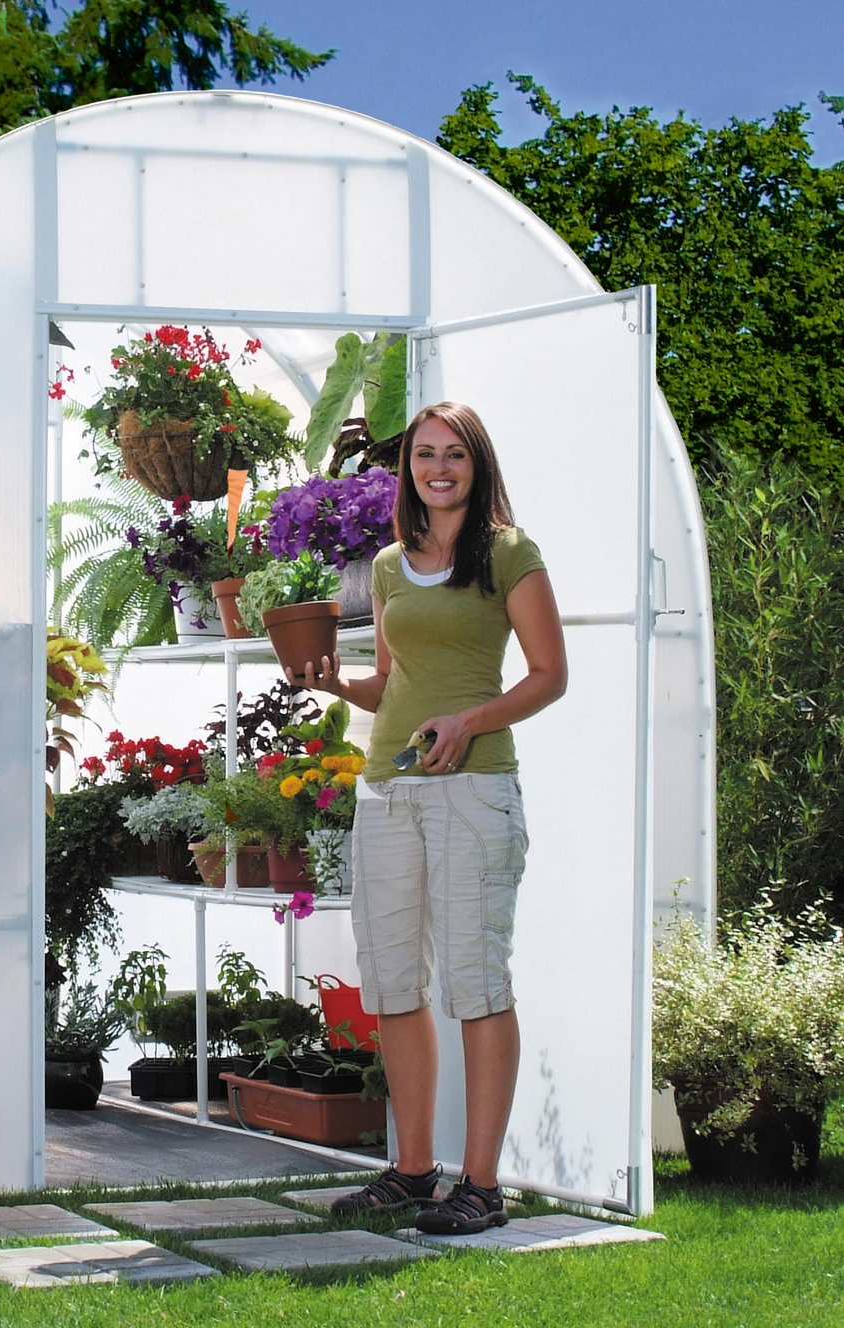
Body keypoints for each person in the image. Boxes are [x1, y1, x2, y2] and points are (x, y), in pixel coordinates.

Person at [288, 401, 567, 1235]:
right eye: (422, 456)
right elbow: (389, 687)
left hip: (473, 788)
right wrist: (335, 683)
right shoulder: (384, 565)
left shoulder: (509, 553)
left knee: (475, 985)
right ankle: (410, 1170)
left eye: (453, 455)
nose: (436, 468)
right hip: (389, 787)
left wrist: (470, 721)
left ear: (476, 465)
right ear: (406, 468)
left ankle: (480, 1185)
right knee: (393, 986)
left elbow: (549, 673)